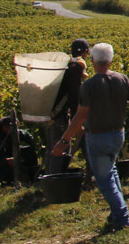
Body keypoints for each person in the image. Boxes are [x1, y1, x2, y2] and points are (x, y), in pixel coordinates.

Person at [51, 42, 129, 231]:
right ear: (110, 60)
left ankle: (121, 218)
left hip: (98, 137)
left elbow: (80, 116)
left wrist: (63, 141)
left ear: (92, 60)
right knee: (111, 172)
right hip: (118, 135)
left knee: (103, 181)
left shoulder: (89, 85)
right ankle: (116, 212)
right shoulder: (122, 79)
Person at [48, 38, 89, 171]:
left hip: (52, 111)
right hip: (59, 114)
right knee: (61, 147)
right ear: (85, 52)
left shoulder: (67, 64)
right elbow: (73, 96)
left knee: (54, 146)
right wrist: (77, 122)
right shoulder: (76, 68)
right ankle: (55, 179)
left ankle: (50, 176)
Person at [0, 116, 38, 187]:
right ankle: (5, 180)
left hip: (7, 156)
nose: (16, 130)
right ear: (5, 127)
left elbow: (24, 134)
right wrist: (5, 161)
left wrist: (33, 143)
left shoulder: (10, 131)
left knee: (28, 152)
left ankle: (32, 178)